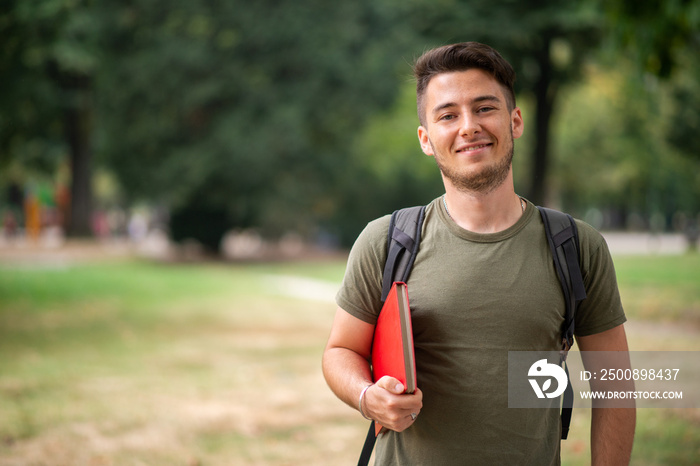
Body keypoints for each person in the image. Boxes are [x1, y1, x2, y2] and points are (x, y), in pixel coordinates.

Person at [322, 42, 635, 465]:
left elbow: (615, 388)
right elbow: (340, 352)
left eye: (484, 108)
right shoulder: (387, 240)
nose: (468, 126)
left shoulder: (576, 247)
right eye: (448, 115)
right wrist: (366, 396)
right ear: (426, 139)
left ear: (515, 120)